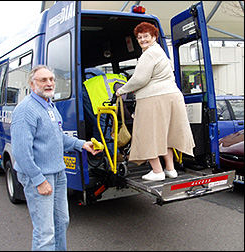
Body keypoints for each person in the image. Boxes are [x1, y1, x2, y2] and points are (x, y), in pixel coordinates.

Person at [11, 65, 101, 251]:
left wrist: (82, 144)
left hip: (58, 173)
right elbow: (21, 151)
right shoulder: (26, 109)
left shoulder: (49, 105)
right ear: (31, 83)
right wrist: (39, 180)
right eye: (43, 80)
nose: (49, 83)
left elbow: (57, 137)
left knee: (61, 222)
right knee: (45, 232)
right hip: (41, 176)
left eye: (51, 79)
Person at [116, 22, 195, 181]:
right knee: (164, 135)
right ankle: (170, 169)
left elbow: (139, 79)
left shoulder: (149, 54)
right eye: (139, 37)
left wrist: (121, 90)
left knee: (147, 134)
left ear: (154, 37)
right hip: (172, 96)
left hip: (153, 99)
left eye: (146, 36)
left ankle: (157, 171)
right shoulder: (160, 52)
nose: (142, 40)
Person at [82, 72, 129, 158]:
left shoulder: (122, 79)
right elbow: (123, 107)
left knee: (98, 125)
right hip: (91, 93)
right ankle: (114, 154)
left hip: (93, 91)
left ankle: (99, 153)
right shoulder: (124, 85)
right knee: (103, 124)